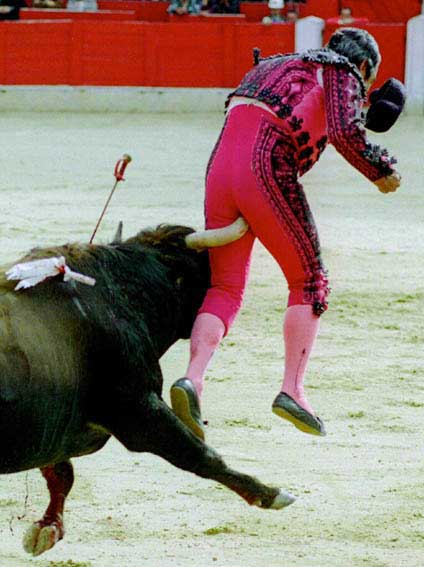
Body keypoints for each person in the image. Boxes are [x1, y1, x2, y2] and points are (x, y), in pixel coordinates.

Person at [170, 28, 401, 441]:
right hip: (266, 165)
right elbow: (346, 134)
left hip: (219, 170)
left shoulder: (274, 64)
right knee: (309, 281)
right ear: (364, 66)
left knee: (225, 286)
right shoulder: (343, 70)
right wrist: (381, 170)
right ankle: (292, 389)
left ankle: (192, 379)